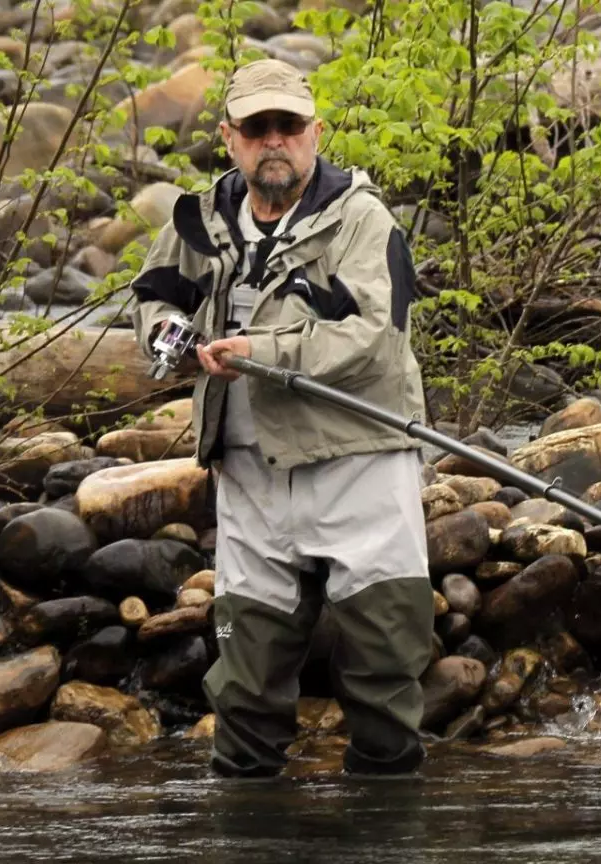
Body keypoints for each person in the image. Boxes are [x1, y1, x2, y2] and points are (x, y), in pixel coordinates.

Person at [132, 58, 434, 778]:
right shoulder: (198, 219)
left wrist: (260, 351)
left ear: (314, 134)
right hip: (248, 476)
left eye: (289, 127)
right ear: (230, 137)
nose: (276, 141)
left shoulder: (365, 221)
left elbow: (374, 338)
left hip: (359, 463)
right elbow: (152, 295)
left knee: (386, 685)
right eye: (258, 127)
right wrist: (164, 334)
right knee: (243, 698)